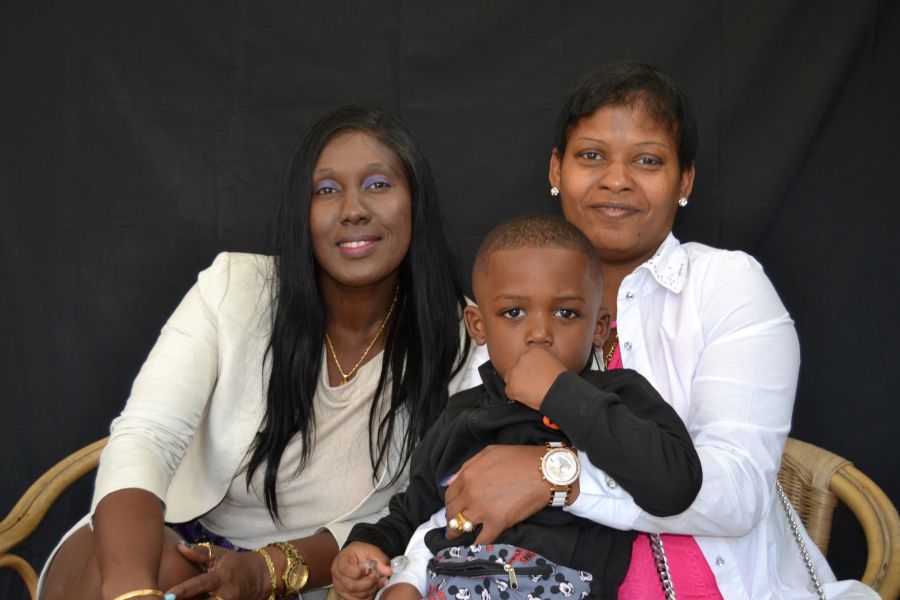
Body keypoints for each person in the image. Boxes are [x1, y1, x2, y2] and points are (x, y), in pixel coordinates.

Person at [431, 63, 878, 598]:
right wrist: (408, 576)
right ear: (555, 169)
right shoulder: (507, 302)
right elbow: (461, 482)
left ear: (685, 179)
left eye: (647, 160)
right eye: (591, 155)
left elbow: (735, 491)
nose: (616, 179)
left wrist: (554, 476)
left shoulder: (726, 284)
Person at [39, 105, 479, 600]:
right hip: (161, 540)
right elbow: (147, 437)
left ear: (415, 200)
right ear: (300, 212)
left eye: (378, 184)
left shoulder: (462, 337)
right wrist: (132, 592)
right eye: (325, 190)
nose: (353, 209)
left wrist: (268, 570)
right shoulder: (235, 289)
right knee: (166, 576)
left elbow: (417, 505)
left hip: (309, 574)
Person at [331, 214, 702, 600]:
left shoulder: (618, 397)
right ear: (478, 326)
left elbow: (676, 484)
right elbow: (411, 512)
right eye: (514, 313)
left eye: (566, 313)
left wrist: (561, 393)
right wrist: (367, 545)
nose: (540, 333)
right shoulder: (461, 415)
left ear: (598, 327)